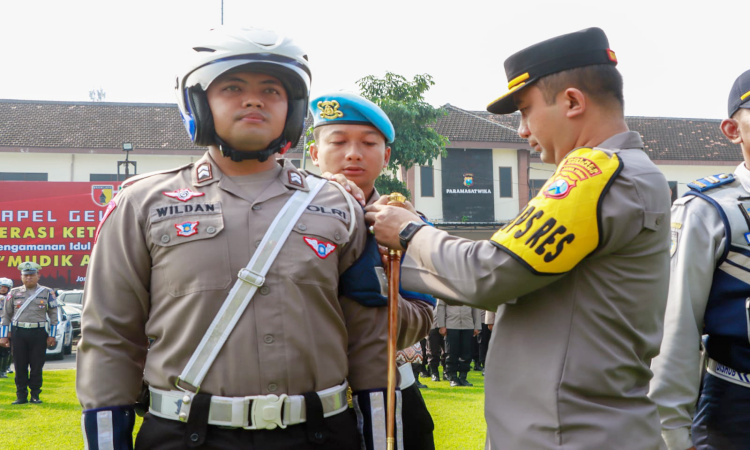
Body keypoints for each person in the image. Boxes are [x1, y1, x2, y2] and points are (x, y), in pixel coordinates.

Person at [77, 26, 422, 450]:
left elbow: (371, 343)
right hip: (186, 435)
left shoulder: (341, 207)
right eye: (233, 86)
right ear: (198, 102)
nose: (254, 99)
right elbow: (110, 336)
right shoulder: (140, 203)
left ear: (292, 109)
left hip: (321, 434)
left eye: (272, 90)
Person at [365, 27, 671, 449]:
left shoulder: (598, 173)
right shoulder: (623, 174)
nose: (523, 130)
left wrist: (410, 231)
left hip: (570, 435)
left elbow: (488, 273)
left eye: (526, 112)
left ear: (572, 101)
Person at [308, 91, 436, 450]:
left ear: (386, 156)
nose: (353, 153)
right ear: (315, 153)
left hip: (392, 392)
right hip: (302, 401)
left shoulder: (408, 224)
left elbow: (421, 317)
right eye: (338, 142)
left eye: (368, 143)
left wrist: (369, 271)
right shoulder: (281, 220)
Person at [648, 69, 750, 450]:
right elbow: (677, 327)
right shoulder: (707, 210)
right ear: (732, 130)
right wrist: (673, 432)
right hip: (736, 408)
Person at [0, 261, 58, 404]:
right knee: (20, 365)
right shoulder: (13, 293)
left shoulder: (47, 292)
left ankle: (35, 395)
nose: (29, 278)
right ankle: (21, 396)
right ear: (21, 277)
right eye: (26, 276)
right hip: (19, 332)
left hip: (38, 332)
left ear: (38, 276)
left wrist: (52, 334)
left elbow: (53, 315)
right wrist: (3, 336)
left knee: (37, 365)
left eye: (32, 275)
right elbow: (6, 315)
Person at [435, 300, 481, 387]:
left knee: (467, 353)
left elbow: (475, 306)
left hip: (468, 324)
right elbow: (440, 306)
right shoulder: (446, 288)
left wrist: (477, 325)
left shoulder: (471, 287)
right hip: (451, 325)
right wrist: (441, 325)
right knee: (451, 352)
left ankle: (463, 377)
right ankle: (453, 378)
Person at [0, 277, 14, 378]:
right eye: (1, 287)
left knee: (6, 349)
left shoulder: (12, 298)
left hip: (6, 326)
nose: (3, 289)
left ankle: (4, 369)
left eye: (6, 287)